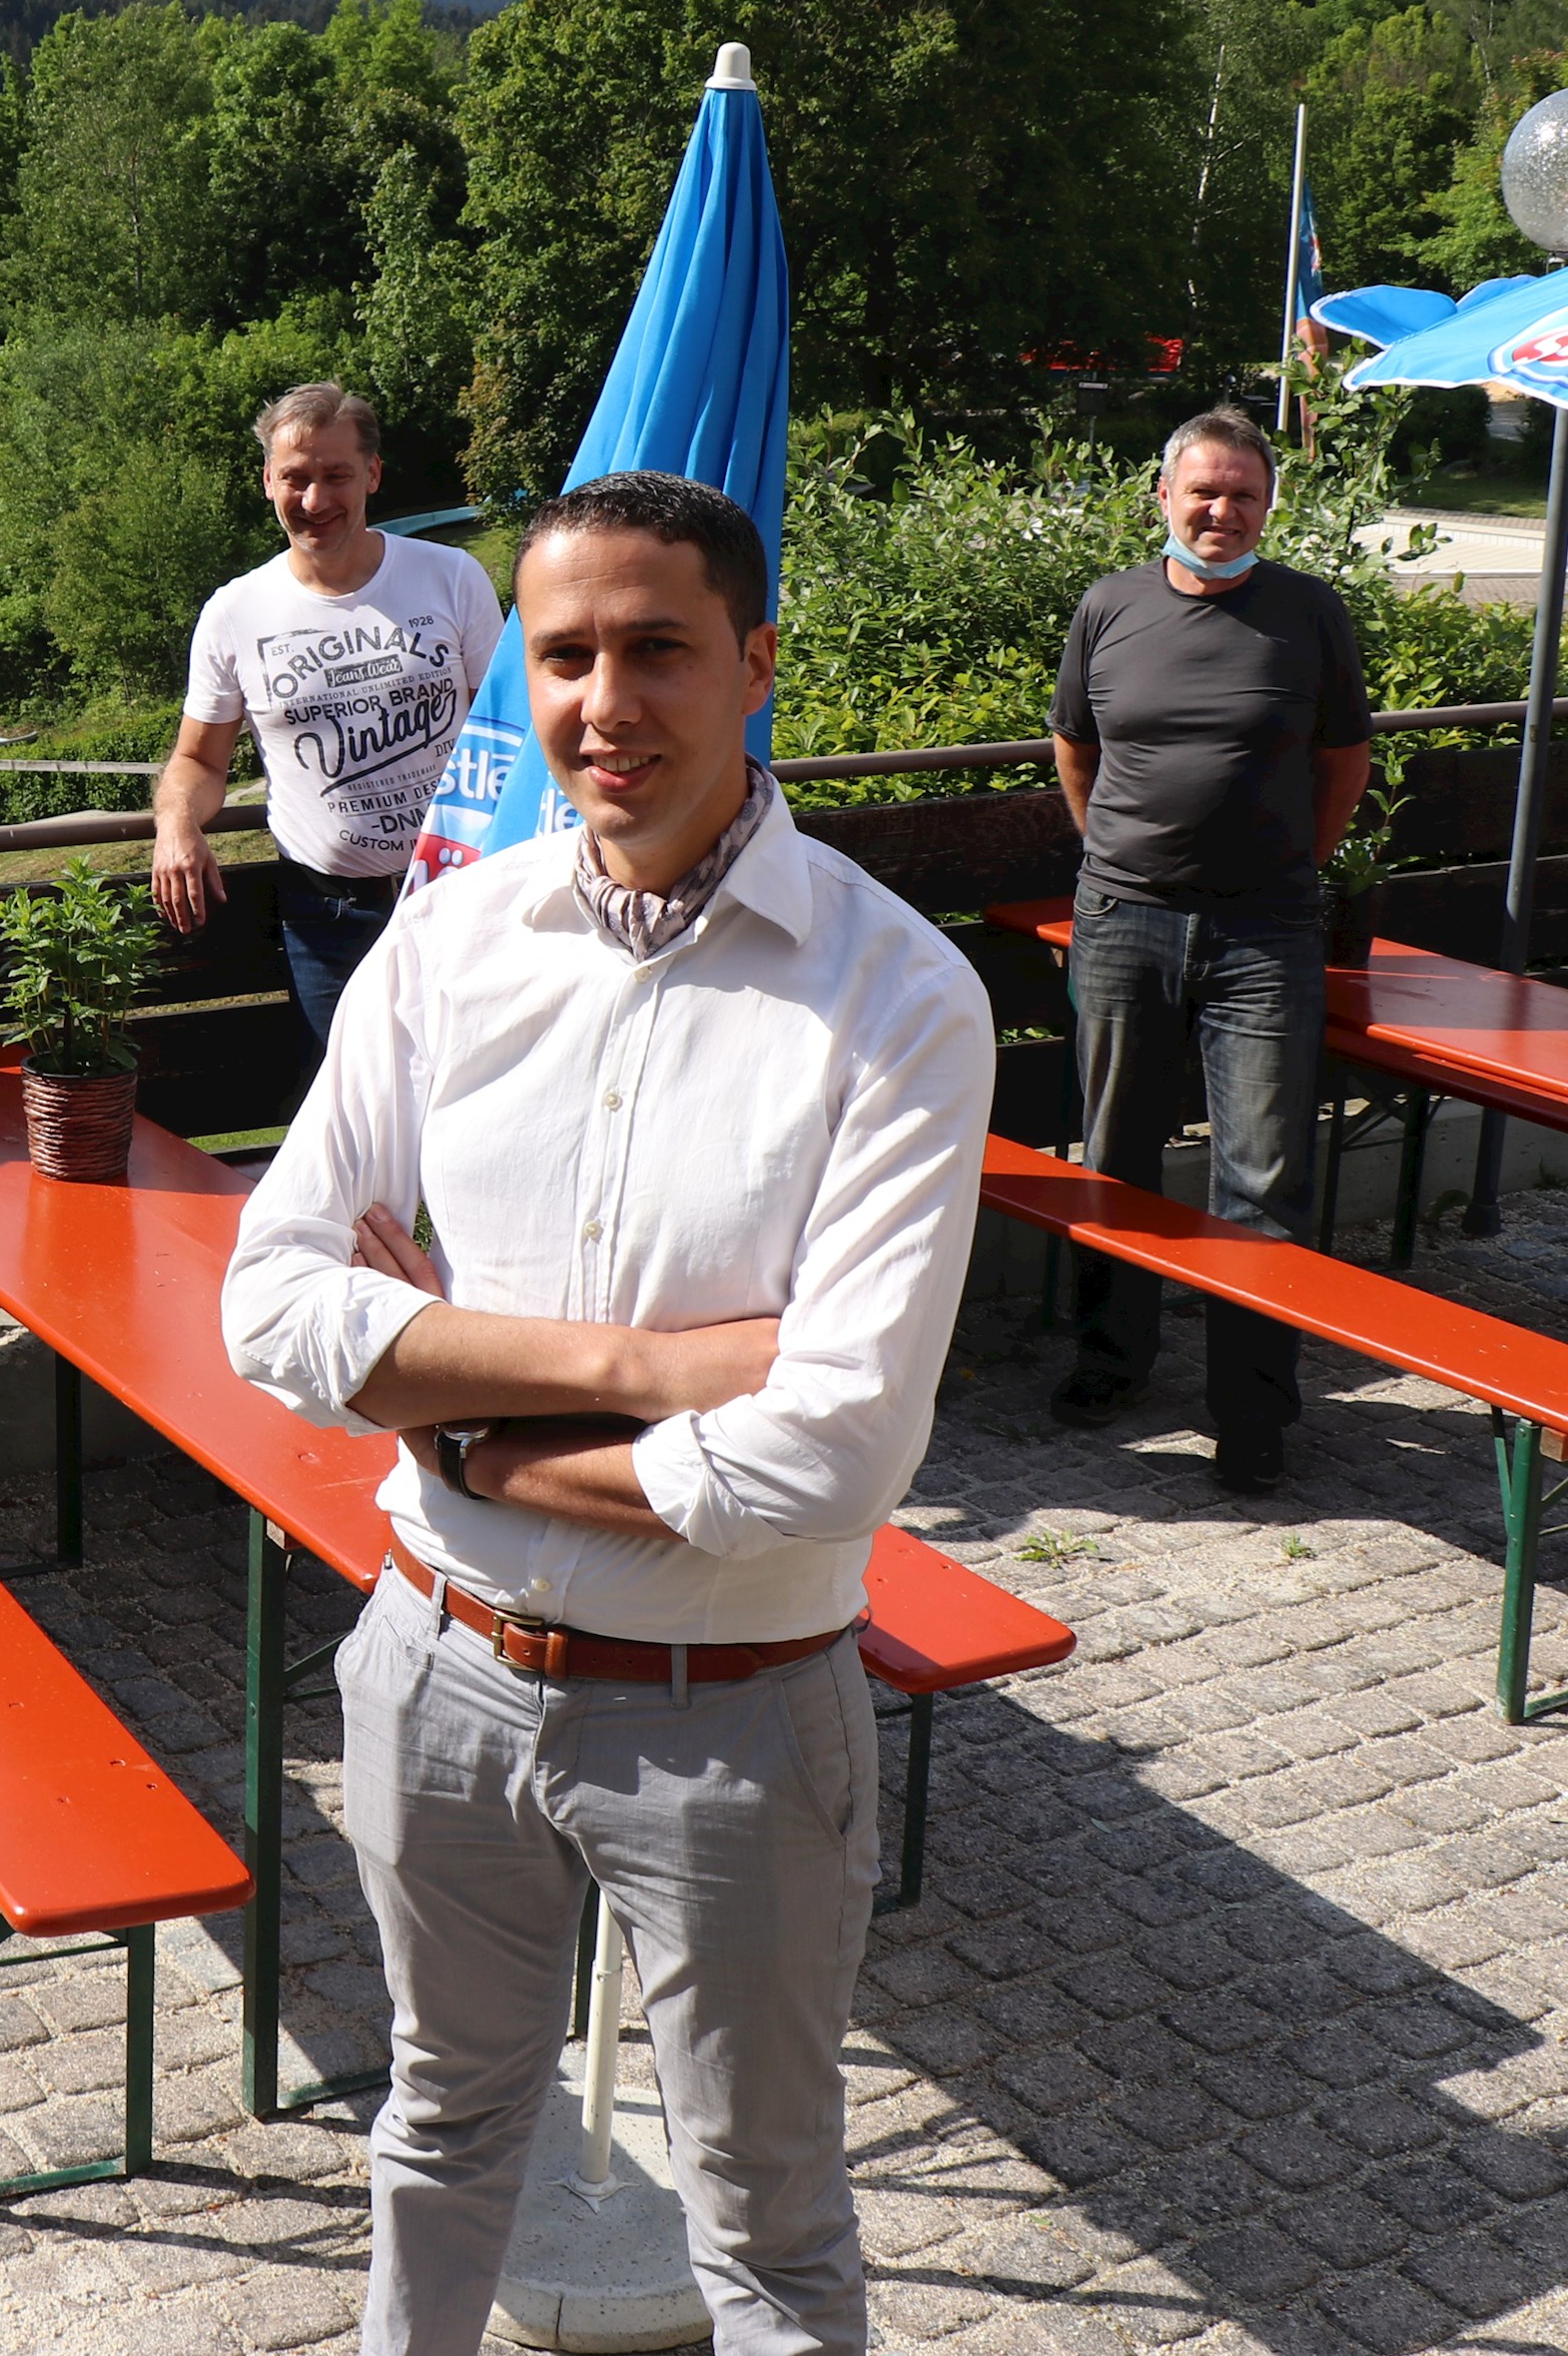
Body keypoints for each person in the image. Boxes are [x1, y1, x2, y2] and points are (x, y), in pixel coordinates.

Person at [223, 470, 994, 2356]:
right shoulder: (448, 945)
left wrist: (462, 1409)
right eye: (564, 653)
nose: (606, 700)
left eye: (659, 648)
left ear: (755, 666)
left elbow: (833, 1453)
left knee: (769, 2228)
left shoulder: (896, 995)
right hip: (438, 1669)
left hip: (728, 1721)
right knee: (438, 2125)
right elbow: (274, 1304)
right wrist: (652, 1373)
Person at [1044, 404, 1372, 1490]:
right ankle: (1112, 1360)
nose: (1222, 510)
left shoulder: (1308, 614)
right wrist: (1115, 862)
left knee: (1263, 1173)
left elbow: (1343, 764)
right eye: (1204, 492)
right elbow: (1073, 745)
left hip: (1263, 930)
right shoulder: (1109, 608)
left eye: (1243, 494)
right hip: (1121, 919)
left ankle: (1251, 1410)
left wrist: (1282, 867)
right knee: (1114, 1153)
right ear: (1164, 498)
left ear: (1267, 505)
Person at [154, 382, 502, 1053]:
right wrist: (174, 825)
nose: (314, 501)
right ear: (267, 482)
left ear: (372, 473)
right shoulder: (235, 612)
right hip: (328, 920)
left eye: (335, 475)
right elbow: (198, 761)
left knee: (472, 1110)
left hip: (463, 898)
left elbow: (511, 732)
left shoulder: (452, 577)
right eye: (295, 477)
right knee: (347, 1129)